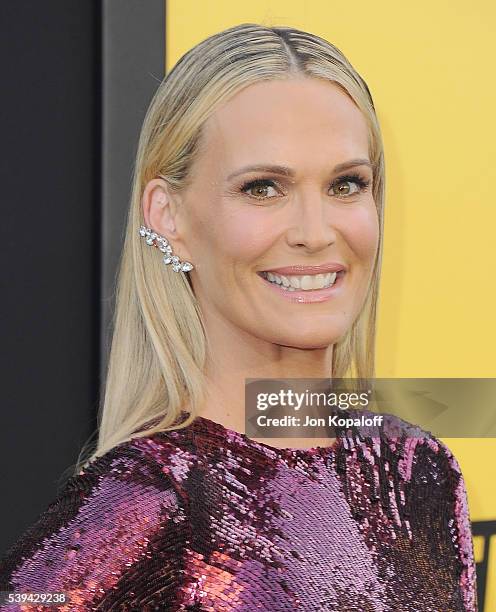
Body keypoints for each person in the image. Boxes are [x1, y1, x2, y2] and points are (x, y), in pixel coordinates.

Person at [0, 23, 477, 611]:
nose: (314, 232)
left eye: (346, 184)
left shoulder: (419, 471)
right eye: (262, 188)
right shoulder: (147, 500)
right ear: (168, 214)